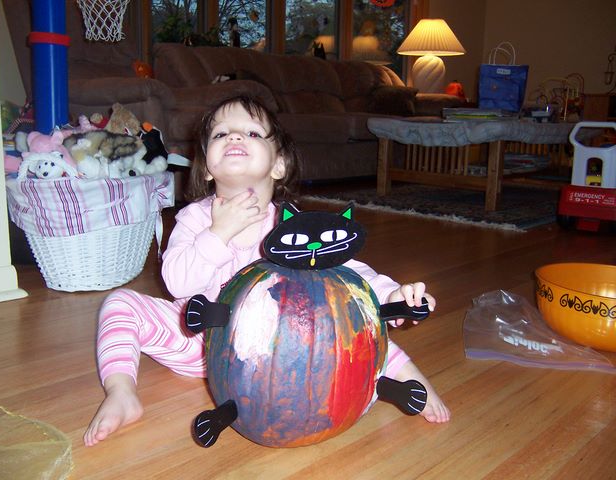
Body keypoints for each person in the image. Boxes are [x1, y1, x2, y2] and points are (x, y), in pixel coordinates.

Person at [83, 95, 450, 447]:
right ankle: (121, 392)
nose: (234, 137)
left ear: (279, 165)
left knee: (352, 330)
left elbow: (347, 273)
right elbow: (178, 283)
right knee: (119, 304)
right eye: (220, 133)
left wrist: (391, 296)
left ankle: (414, 383)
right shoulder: (194, 218)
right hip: (198, 342)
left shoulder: (292, 227)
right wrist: (218, 233)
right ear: (207, 166)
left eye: (252, 132)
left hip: (274, 348)